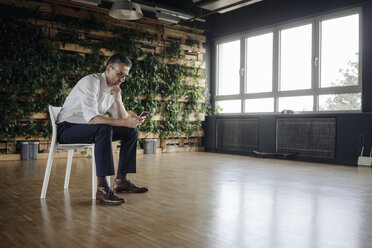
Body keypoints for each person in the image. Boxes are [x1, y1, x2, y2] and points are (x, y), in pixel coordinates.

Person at [56, 54, 148, 205]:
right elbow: (93, 119)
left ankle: (121, 180)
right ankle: (102, 189)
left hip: (89, 129)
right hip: (67, 129)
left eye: (125, 76)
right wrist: (124, 122)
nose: (122, 80)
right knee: (103, 129)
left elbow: (123, 119)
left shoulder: (113, 88)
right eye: (120, 74)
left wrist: (118, 100)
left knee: (131, 131)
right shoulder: (90, 82)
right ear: (108, 69)